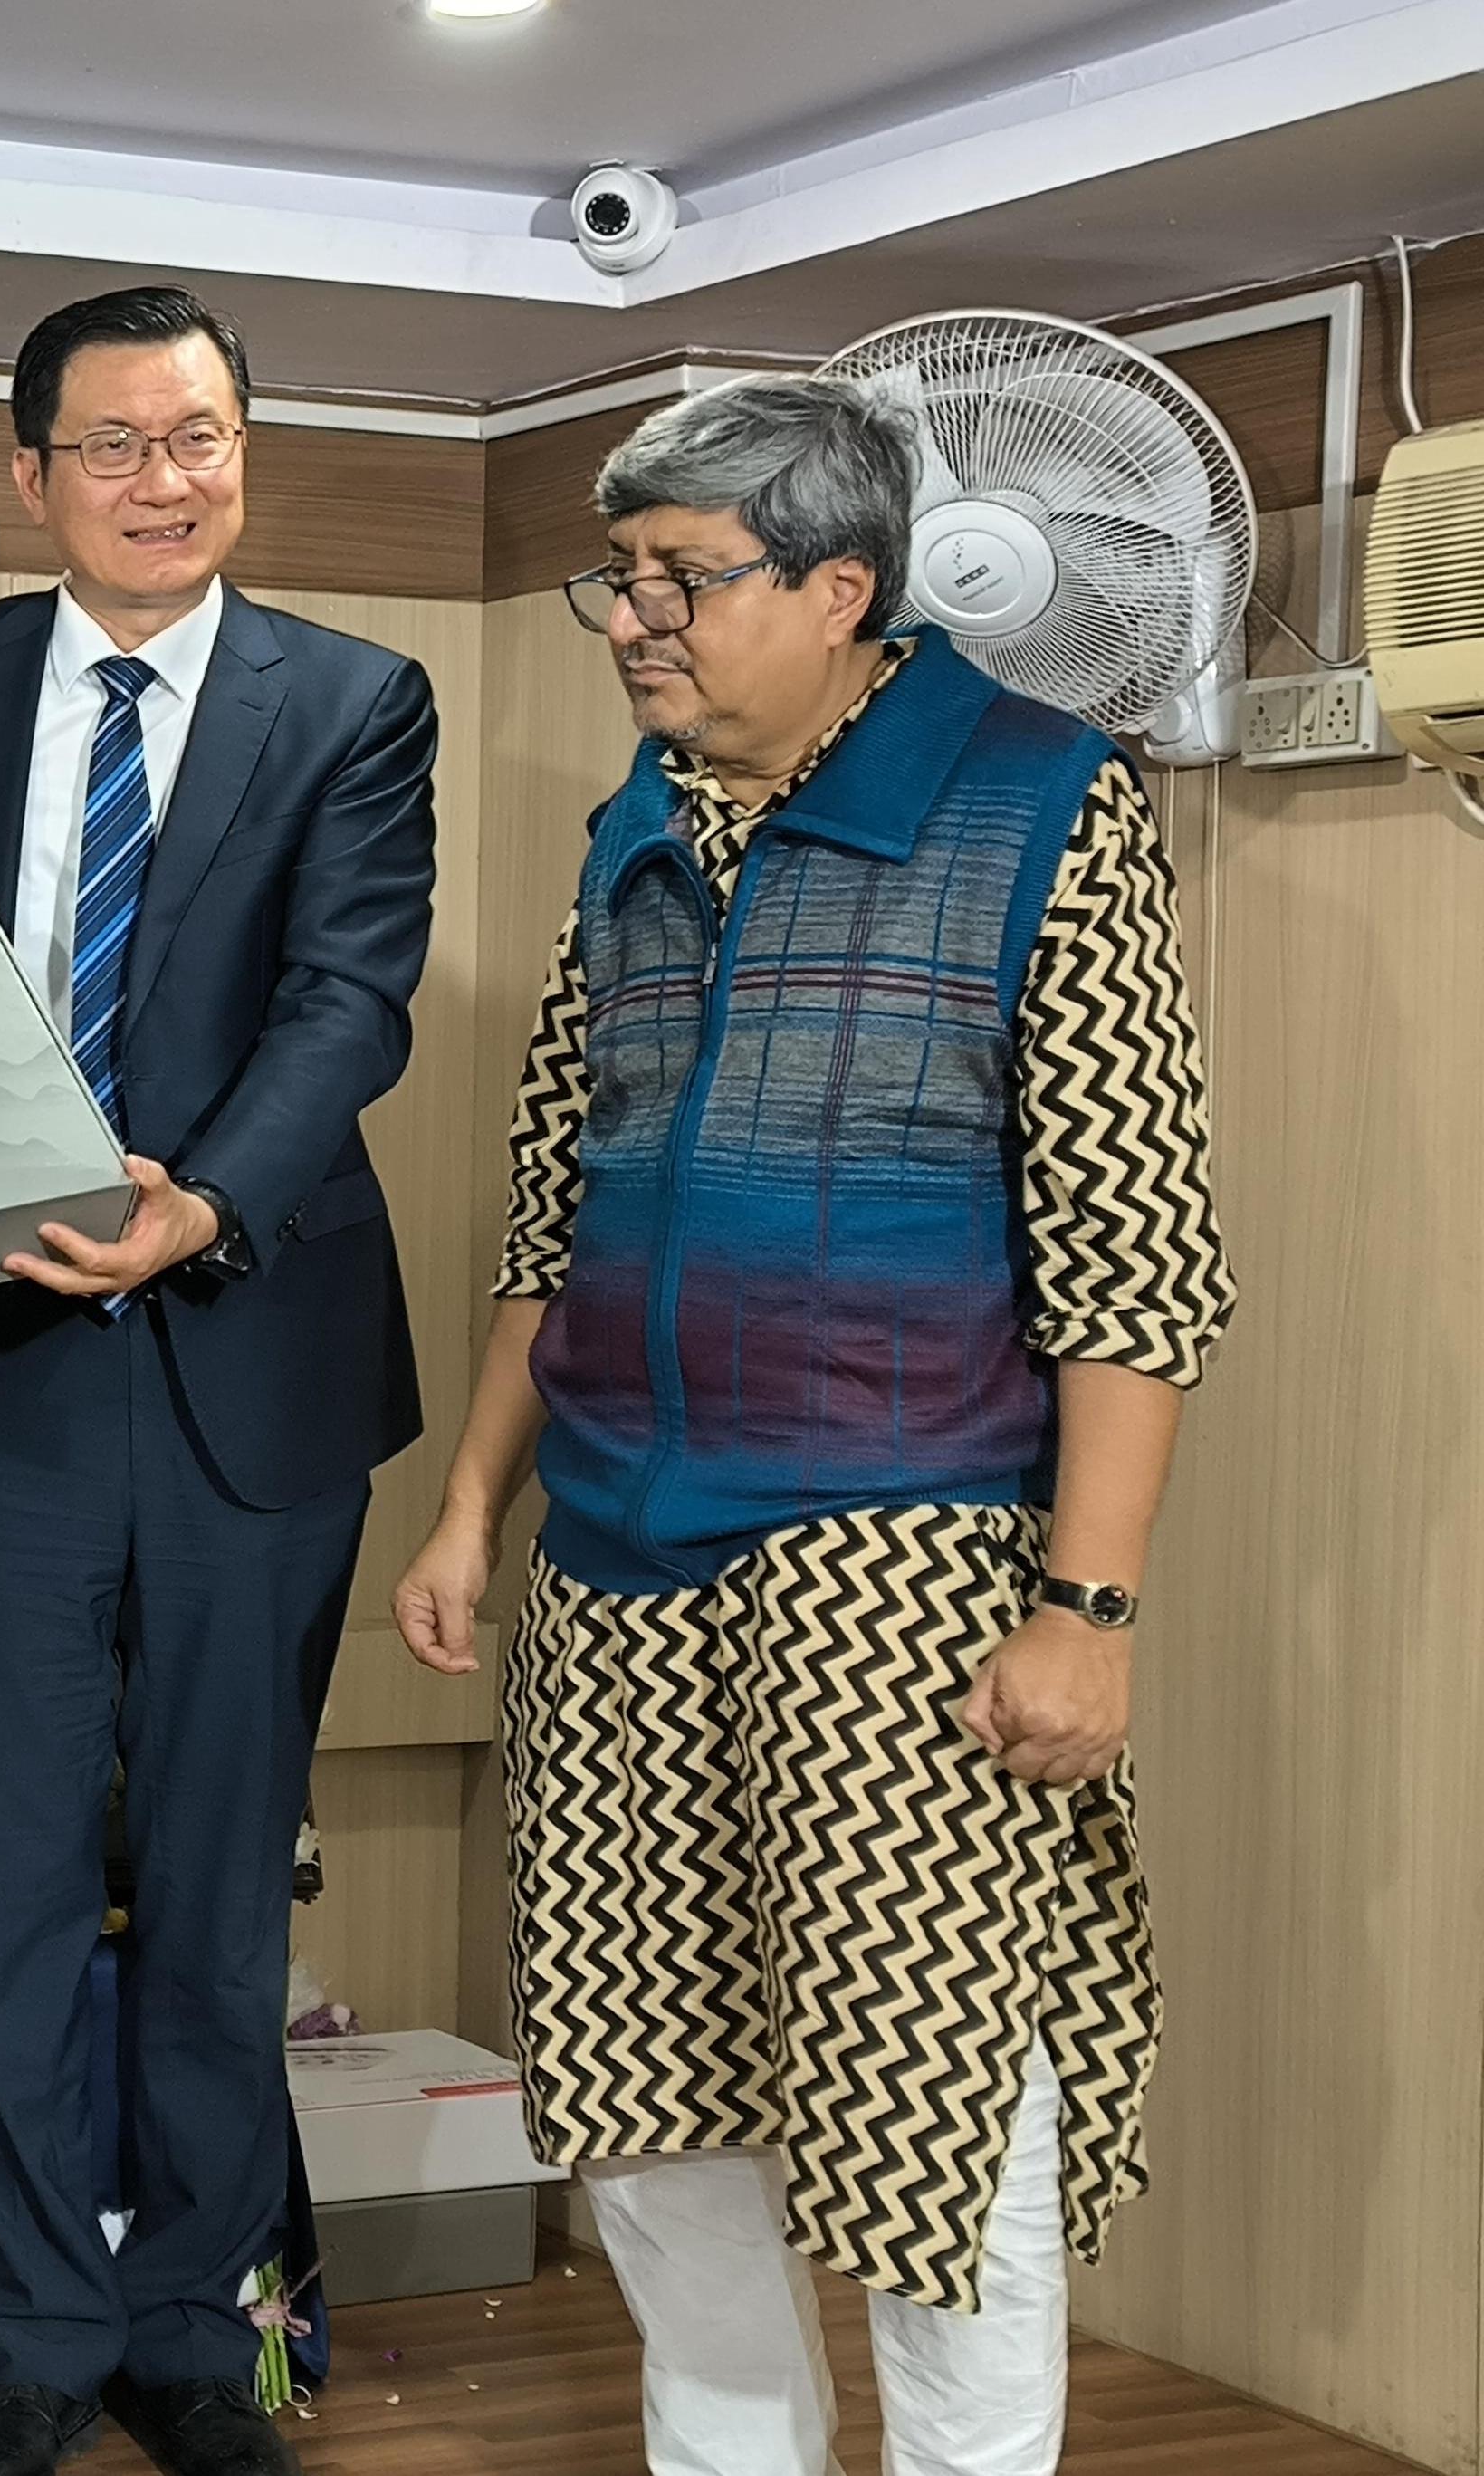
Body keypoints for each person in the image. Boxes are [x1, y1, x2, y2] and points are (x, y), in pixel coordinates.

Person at [388, 374, 1233, 2476]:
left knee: (927, 2120)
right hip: (613, 1564)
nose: (629, 620)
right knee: (650, 2109)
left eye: (680, 577)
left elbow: (1132, 1243)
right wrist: (469, 1500)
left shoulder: (1037, 801)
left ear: (841, 589)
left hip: (898, 1564)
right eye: (617, 578)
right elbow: (555, 1201)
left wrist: (1085, 1607)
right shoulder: (632, 826)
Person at [0, 284, 439, 2476]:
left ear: (242, 453)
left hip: (247, 1356)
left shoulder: (351, 697)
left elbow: (350, 1000)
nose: (164, 480)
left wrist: (203, 1203)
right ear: (32, 472)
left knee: (213, 1879)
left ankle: (189, 2328)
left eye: (201, 438)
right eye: (115, 444)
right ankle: (36, 2345)